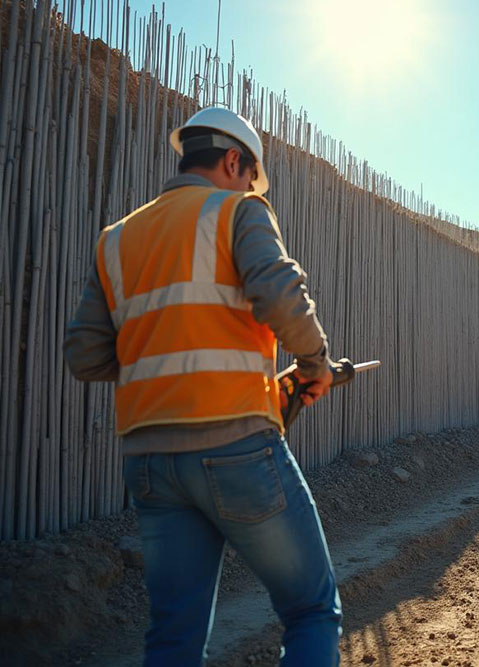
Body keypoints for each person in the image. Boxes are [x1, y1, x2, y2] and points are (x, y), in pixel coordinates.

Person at [64, 107, 342, 666]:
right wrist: (315, 364)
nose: (247, 186)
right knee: (311, 610)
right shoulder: (237, 212)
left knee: (174, 637)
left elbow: (86, 356)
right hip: (234, 447)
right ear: (234, 161)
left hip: (150, 461)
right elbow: (281, 298)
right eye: (246, 175)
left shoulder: (115, 241)